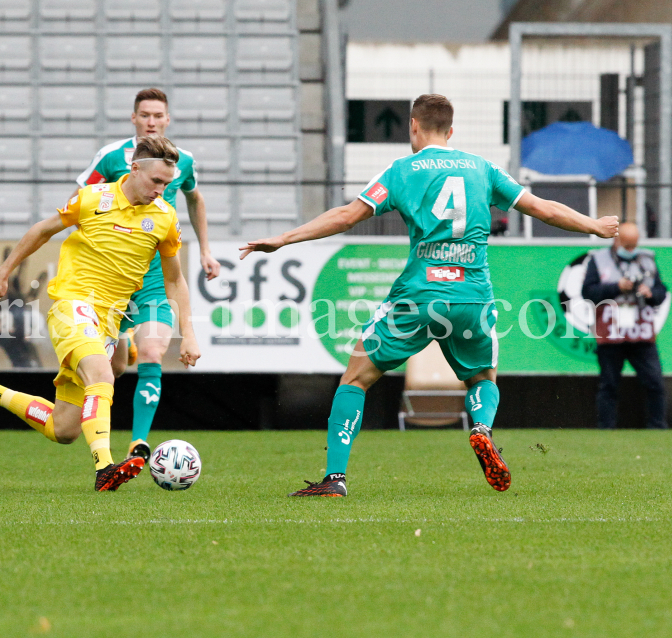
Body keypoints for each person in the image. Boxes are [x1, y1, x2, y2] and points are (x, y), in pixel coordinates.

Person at [240, 94, 619, 497]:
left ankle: (335, 479)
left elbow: (348, 215)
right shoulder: (481, 168)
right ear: (451, 131)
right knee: (482, 377)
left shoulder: (402, 170)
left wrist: (284, 238)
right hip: (472, 294)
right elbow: (542, 208)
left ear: (414, 126)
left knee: (355, 378)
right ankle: (480, 428)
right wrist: (593, 226)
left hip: (418, 295)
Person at [0, 135, 201, 491]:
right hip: (72, 306)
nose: (161, 190)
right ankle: (105, 467)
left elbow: (175, 280)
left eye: (168, 184)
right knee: (103, 377)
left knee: (63, 430)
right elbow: (42, 230)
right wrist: (2, 275)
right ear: (135, 169)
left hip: (108, 322)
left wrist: (190, 332)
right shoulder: (94, 198)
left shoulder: (165, 218)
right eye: (156, 181)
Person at [73, 87, 221, 467]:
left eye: (158, 115)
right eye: (145, 115)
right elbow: (82, 202)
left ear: (167, 119)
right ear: (134, 119)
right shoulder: (111, 157)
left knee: (155, 351)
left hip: (155, 274)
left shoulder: (181, 161)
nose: (151, 121)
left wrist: (205, 249)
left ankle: (138, 443)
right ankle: (121, 342)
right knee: (116, 368)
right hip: (112, 277)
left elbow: (195, 198)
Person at [581, 222, 669, 429]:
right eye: (627, 246)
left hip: (641, 332)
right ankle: (606, 428)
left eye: (634, 246)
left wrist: (650, 294)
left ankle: (658, 427)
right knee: (608, 385)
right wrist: (616, 287)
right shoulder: (598, 260)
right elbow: (588, 293)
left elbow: (662, 292)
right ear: (616, 240)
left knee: (655, 383)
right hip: (610, 334)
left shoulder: (647, 259)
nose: (631, 251)